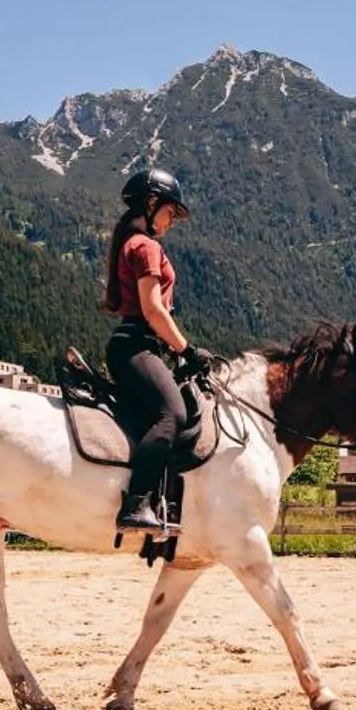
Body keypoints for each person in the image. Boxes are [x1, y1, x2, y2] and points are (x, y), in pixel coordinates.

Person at [103, 167, 215, 532]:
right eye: (169, 213)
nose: (170, 222)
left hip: (136, 345)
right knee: (172, 416)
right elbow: (153, 309)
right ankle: (135, 504)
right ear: (151, 205)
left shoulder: (130, 243)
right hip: (138, 345)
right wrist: (187, 349)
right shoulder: (146, 246)